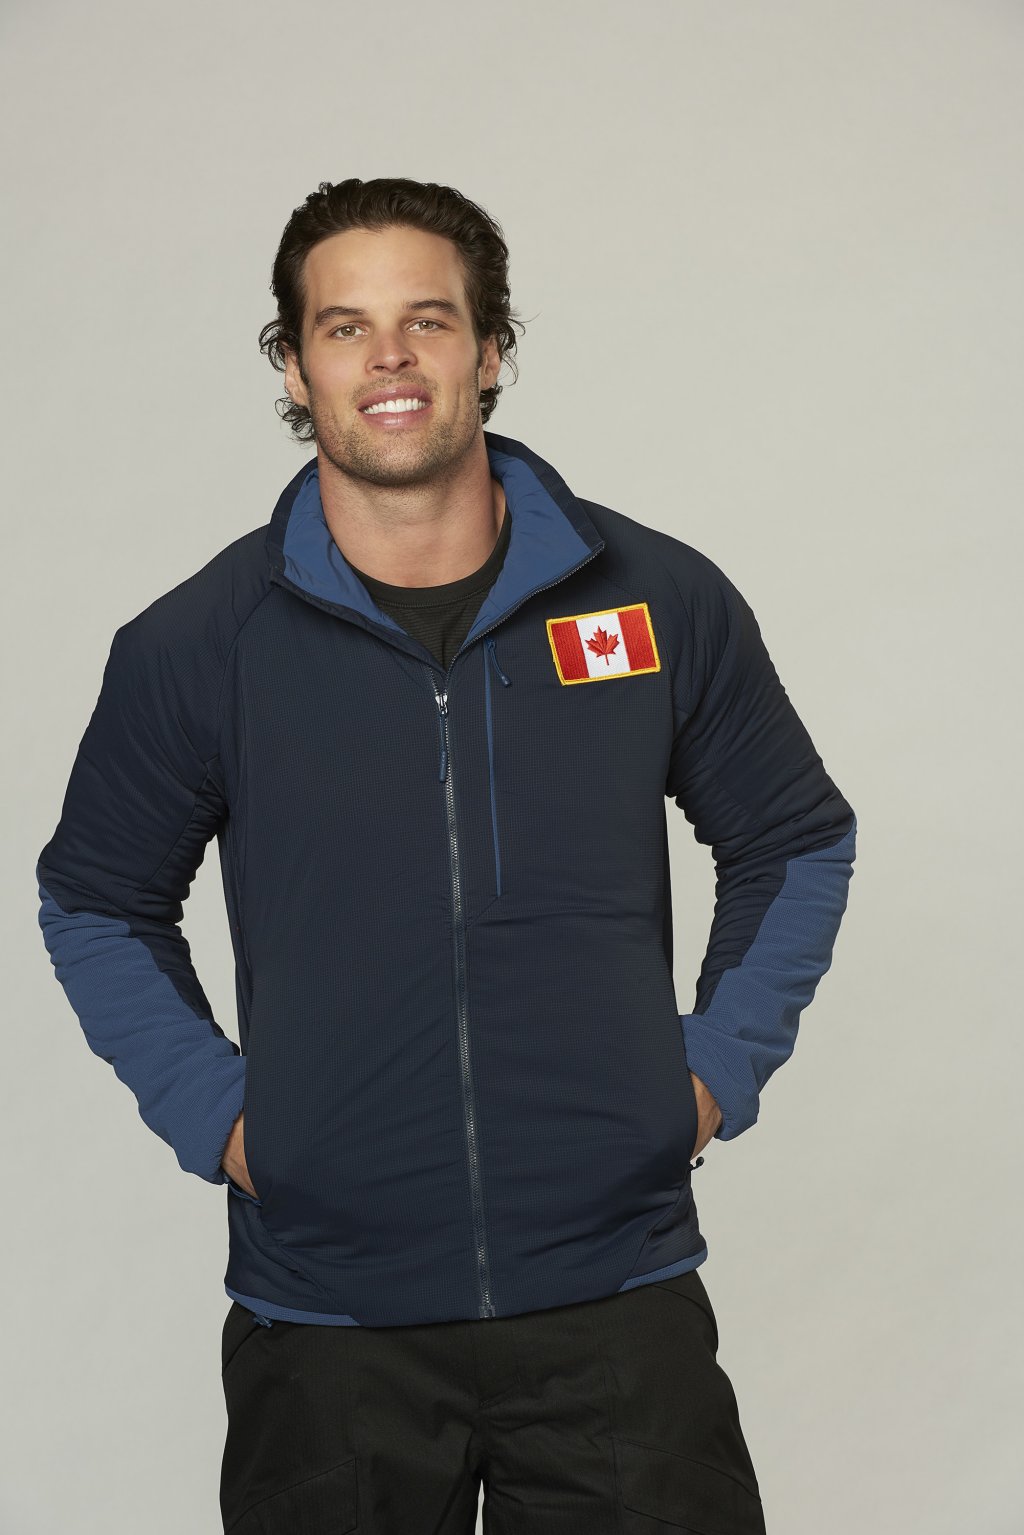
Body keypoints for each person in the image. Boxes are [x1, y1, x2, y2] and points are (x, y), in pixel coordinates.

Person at [36, 176, 856, 1533]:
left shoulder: (657, 601)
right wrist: (224, 1119)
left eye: (427, 320)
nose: (390, 359)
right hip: (329, 1327)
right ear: (294, 367)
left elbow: (794, 839)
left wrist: (708, 1077)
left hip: (616, 1308)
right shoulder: (199, 644)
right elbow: (96, 902)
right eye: (344, 328)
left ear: (490, 350)